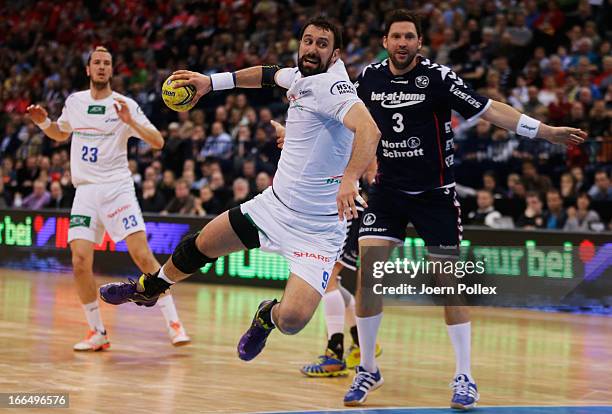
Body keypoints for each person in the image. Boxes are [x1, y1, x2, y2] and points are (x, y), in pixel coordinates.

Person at [99, 17, 380, 369]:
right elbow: (268, 74)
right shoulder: (298, 77)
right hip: (274, 208)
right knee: (201, 245)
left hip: (319, 231)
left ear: (335, 53)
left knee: (292, 320)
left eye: (322, 44)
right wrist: (209, 82)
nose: (311, 49)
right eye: (307, 41)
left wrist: (350, 178)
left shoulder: (333, 87)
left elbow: (369, 129)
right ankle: (150, 287)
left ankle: (266, 316)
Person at [344, 10, 585, 410]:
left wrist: (544, 131)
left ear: (420, 42)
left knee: (447, 282)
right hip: (386, 192)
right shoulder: (368, 79)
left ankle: (465, 375)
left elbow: (490, 109)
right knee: (368, 275)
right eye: (396, 37)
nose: (402, 43)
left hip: (435, 194)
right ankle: (368, 368)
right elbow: (343, 120)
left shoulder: (438, 78)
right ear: (384, 41)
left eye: (410, 37)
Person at [27, 46, 190, 351]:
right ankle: (97, 332)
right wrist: (42, 123)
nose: (102, 67)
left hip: (117, 188)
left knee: (142, 257)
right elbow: (60, 134)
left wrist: (130, 121)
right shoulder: (74, 102)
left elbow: (158, 141)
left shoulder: (124, 104)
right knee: (78, 262)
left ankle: (174, 324)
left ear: (112, 70)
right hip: (85, 191)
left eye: (107, 63)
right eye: (97, 63)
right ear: (88, 70)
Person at [270, 120, 382, 377]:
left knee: (328, 280)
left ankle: (334, 354)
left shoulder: (355, 122)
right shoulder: (339, 120)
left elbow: (370, 166)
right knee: (333, 281)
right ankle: (360, 341)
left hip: (351, 209)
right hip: (342, 210)